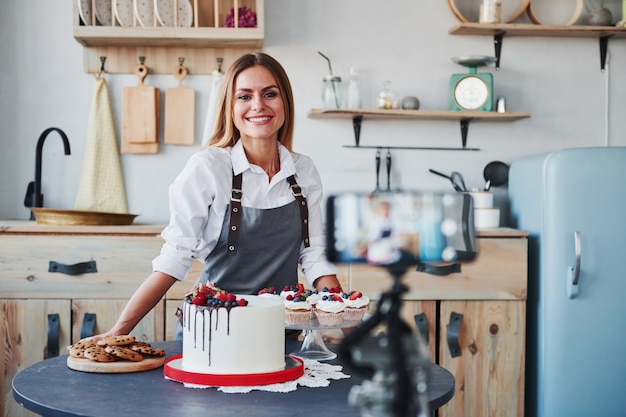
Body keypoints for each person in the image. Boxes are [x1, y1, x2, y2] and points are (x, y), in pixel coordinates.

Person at [96, 52, 341, 340]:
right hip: (210, 334)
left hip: (278, 334)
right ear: (230, 106)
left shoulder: (304, 171)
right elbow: (174, 258)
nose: (258, 105)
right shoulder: (209, 168)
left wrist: (350, 321)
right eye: (244, 96)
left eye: (270, 94)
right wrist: (117, 331)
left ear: (285, 101)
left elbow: (314, 255)